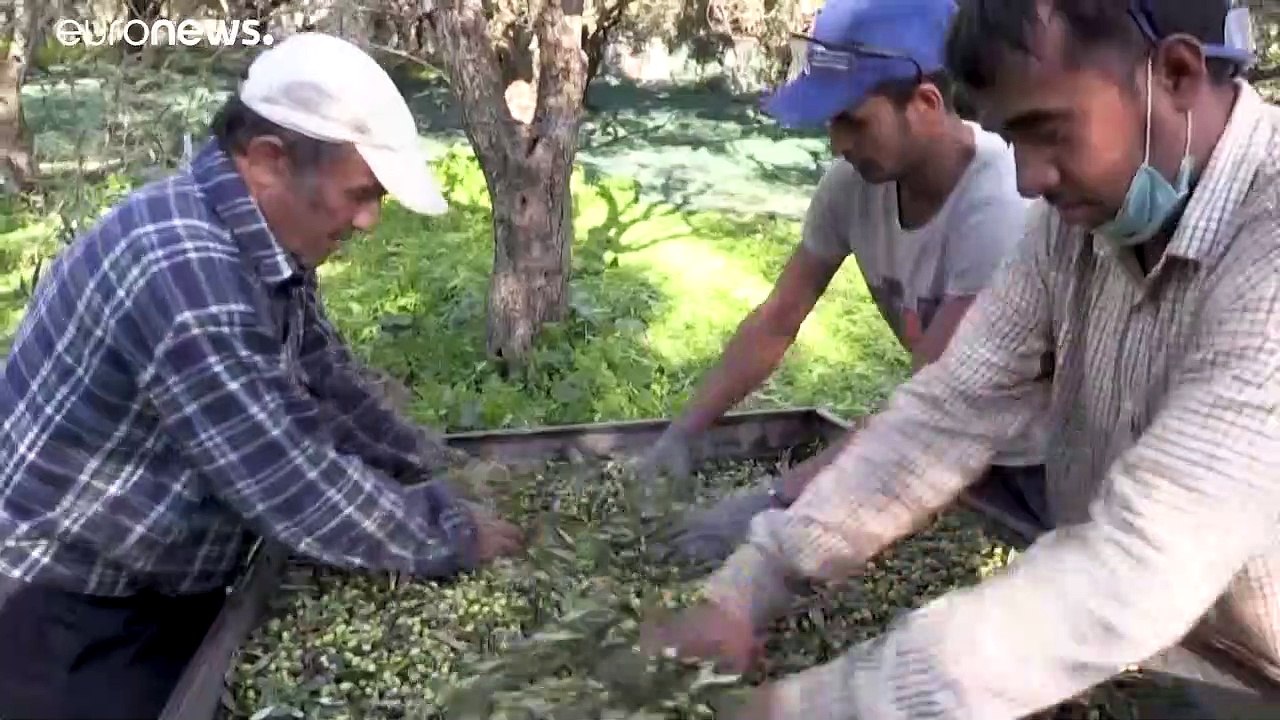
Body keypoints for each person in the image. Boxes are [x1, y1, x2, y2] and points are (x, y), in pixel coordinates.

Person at [641, 0, 1280, 718]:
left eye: (1048, 131)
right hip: (1172, 649)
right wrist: (755, 578)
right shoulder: (1072, 228)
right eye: (1013, 140)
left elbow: (1146, 557)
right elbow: (949, 408)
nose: (1028, 179)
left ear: (1177, 73)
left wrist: (817, 707)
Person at [0, 32, 524, 719]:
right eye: (360, 195)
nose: (369, 221)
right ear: (270, 161)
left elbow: (327, 383)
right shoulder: (185, 270)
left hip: (153, 583)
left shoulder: (253, 240)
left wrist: (432, 465)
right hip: (62, 608)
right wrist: (455, 533)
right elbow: (291, 483)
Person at [636, 0, 1046, 564]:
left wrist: (778, 501)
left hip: (1034, 464)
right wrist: (683, 432)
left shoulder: (1001, 204)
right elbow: (778, 319)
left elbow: (932, 399)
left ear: (926, 103)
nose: (837, 142)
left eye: (852, 120)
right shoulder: (852, 186)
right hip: (942, 454)